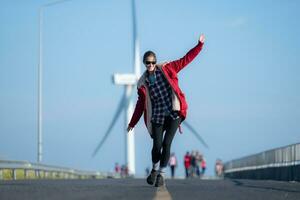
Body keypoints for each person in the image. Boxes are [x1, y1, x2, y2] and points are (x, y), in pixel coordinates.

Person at [127, 35, 205, 187]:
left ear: (156, 62)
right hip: (157, 116)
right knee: (157, 146)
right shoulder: (142, 83)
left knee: (167, 143)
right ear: (144, 63)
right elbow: (140, 105)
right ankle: (154, 170)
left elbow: (185, 60)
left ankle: (161, 174)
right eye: (148, 62)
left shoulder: (168, 69)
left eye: (153, 62)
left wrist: (199, 45)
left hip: (173, 113)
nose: (150, 64)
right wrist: (132, 123)